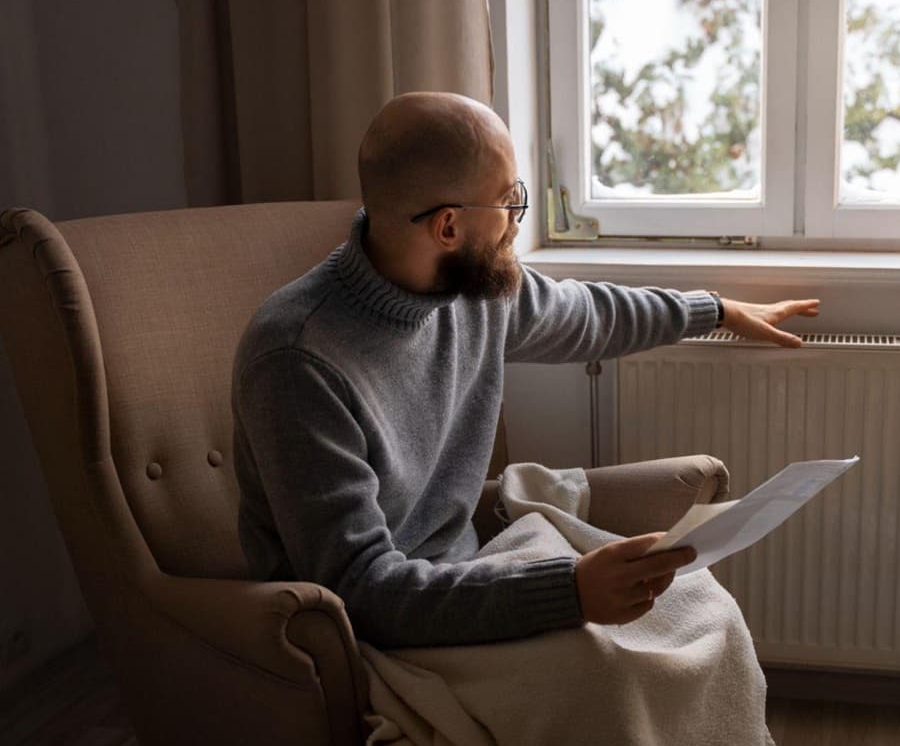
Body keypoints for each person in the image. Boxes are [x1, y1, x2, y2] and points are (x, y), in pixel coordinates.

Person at [232, 91, 820, 648]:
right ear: (448, 227)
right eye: (510, 199)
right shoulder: (297, 360)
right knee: (619, 670)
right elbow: (358, 589)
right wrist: (568, 592)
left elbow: (589, 314)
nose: (517, 219)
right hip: (375, 635)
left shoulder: (471, 290)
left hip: (467, 573)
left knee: (702, 617)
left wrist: (714, 309)